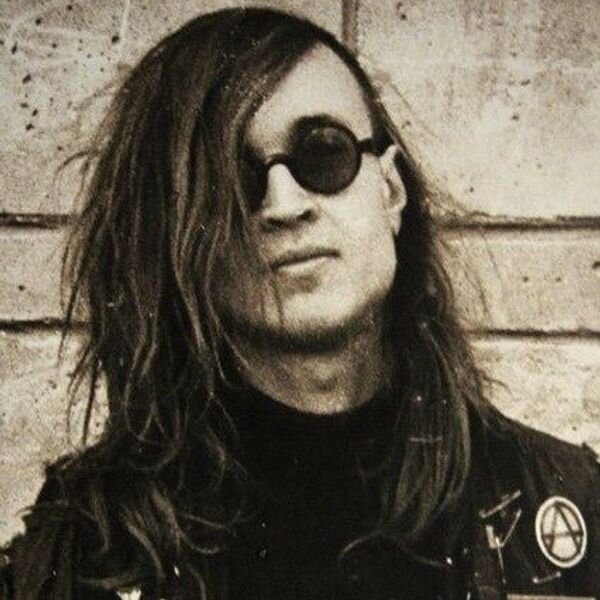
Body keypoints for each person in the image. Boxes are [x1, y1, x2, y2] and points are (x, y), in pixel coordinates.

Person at [1, 7, 598, 600]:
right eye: (230, 179)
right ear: (176, 233)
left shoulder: (564, 508)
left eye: (323, 154)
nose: (285, 205)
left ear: (390, 191)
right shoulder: (91, 554)